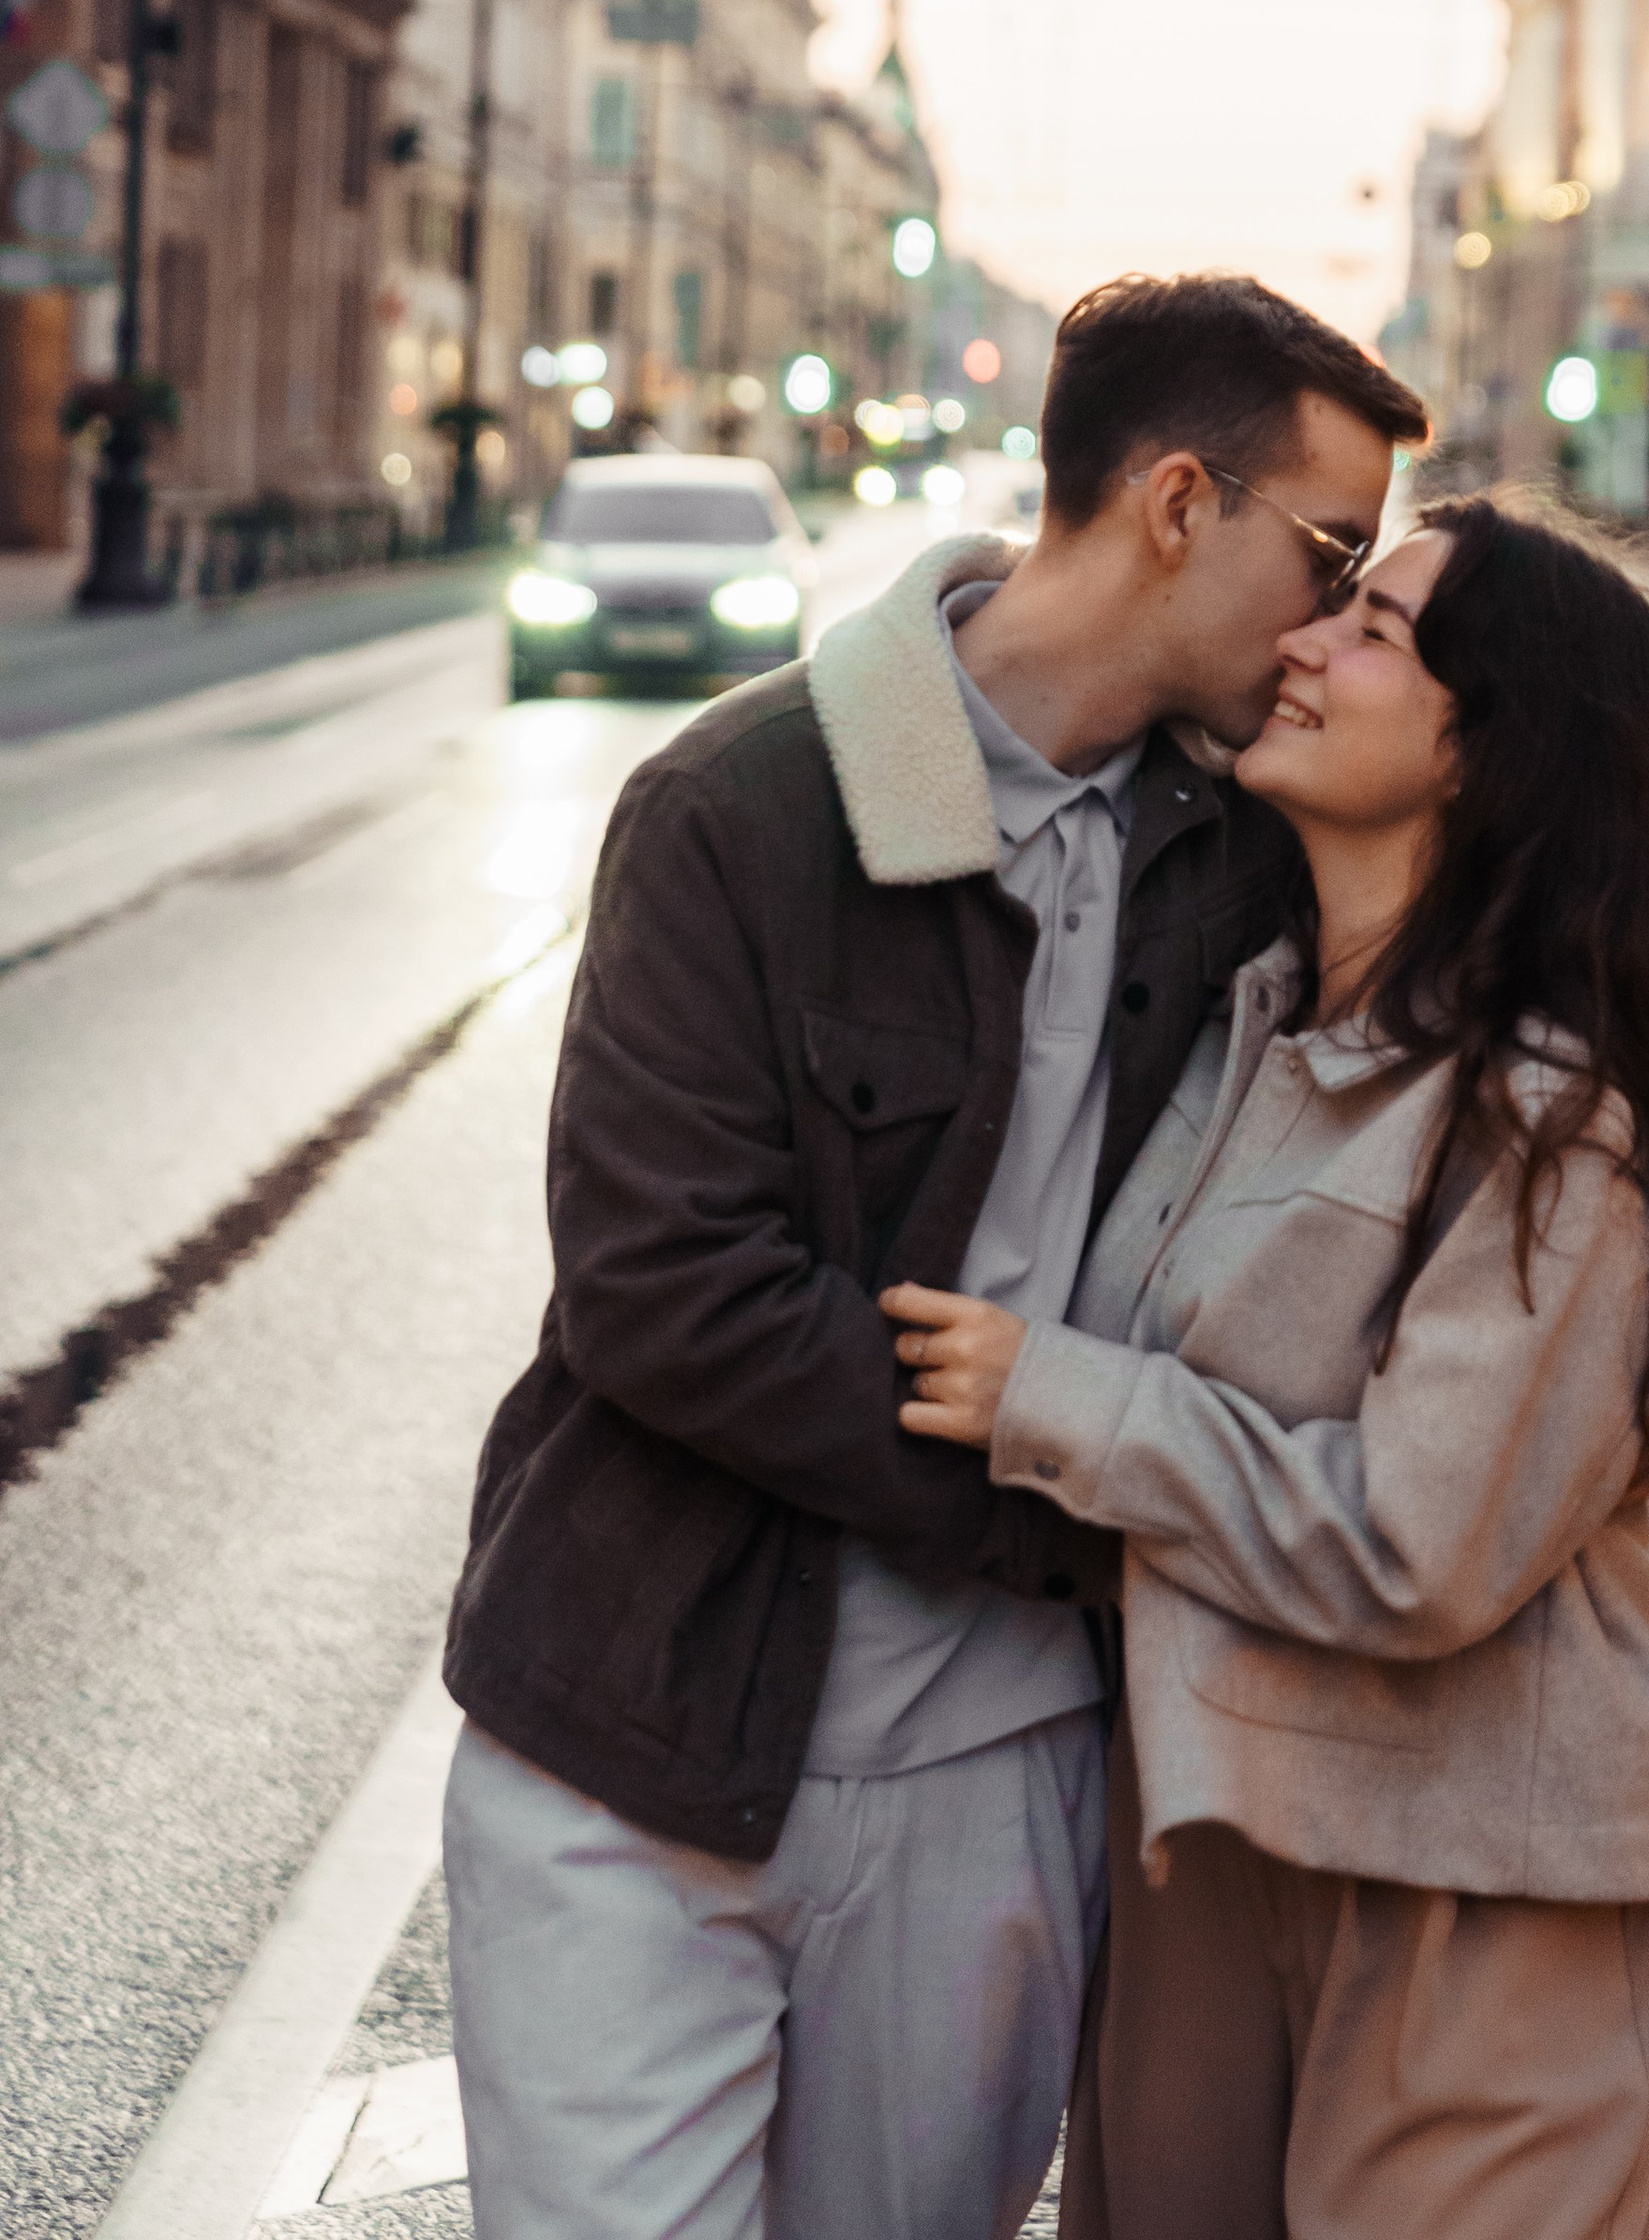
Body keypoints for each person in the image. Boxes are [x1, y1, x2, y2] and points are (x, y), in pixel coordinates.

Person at [439, 272, 1429, 2240]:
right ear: (1171, 505)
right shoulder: (741, 806)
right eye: (1327, 551)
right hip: (634, 1735)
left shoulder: (1247, 862)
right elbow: (659, 1282)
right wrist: (1053, 1497)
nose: (1332, 617)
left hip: (1001, 1772)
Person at [886, 497, 1649, 2240]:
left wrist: (1056, 1400)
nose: (1303, 644)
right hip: (1208, 1854)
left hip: (1475, 1889)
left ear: (1497, 750)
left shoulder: (1559, 1120)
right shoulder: (1248, 1027)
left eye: (1374, 630)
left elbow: (1423, 1542)